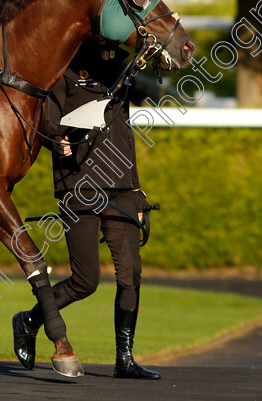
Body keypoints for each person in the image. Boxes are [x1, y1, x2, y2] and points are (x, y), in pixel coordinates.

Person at [12, 37, 161, 380]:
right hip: (80, 185)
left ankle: (125, 358)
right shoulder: (64, 67)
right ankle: (30, 320)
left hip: (122, 187)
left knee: (131, 275)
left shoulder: (124, 66)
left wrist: (156, 59)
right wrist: (56, 139)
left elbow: (153, 91)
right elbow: (46, 120)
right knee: (85, 281)